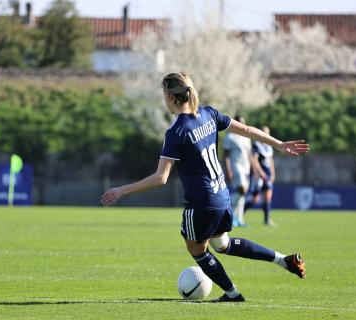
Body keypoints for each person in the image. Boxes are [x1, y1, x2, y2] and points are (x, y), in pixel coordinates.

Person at [101, 72, 308, 302]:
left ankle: (233, 294)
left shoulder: (176, 132)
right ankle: (283, 260)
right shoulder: (209, 114)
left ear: (170, 96)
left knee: (196, 249)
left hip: (201, 203)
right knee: (223, 243)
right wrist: (279, 144)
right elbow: (247, 130)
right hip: (222, 196)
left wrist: (121, 190)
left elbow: (161, 177)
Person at [223, 115, 263, 227]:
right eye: (240, 122)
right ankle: (225, 208)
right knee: (242, 190)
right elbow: (226, 156)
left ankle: (238, 219)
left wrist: (255, 170)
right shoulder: (229, 137)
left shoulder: (246, 138)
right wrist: (228, 170)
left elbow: (250, 155)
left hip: (246, 168)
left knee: (242, 194)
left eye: (243, 122)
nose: (242, 125)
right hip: (236, 166)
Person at [244, 126, 276, 226]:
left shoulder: (269, 147)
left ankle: (267, 220)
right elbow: (254, 160)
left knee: (268, 197)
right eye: (264, 133)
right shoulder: (257, 145)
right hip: (259, 177)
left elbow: (271, 161)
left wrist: (273, 173)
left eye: (267, 133)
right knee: (255, 200)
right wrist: (261, 173)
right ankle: (240, 215)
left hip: (268, 176)